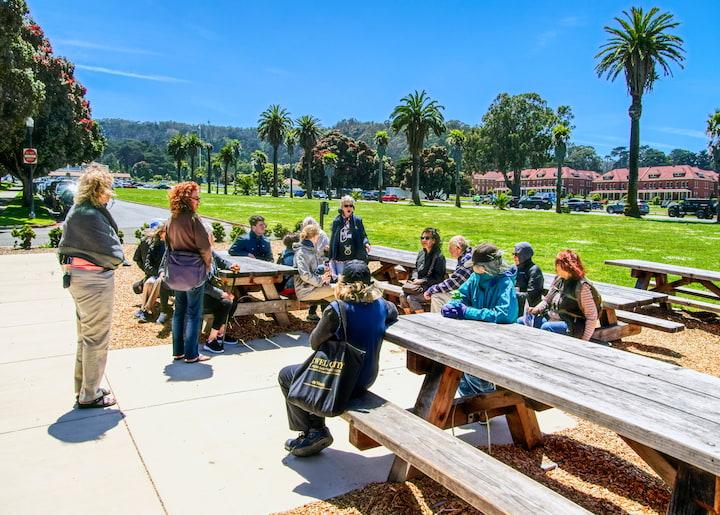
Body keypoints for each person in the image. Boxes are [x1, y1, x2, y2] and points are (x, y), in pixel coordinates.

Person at [278, 260, 398, 457]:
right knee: (298, 374)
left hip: (338, 380)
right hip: (366, 378)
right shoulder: (383, 306)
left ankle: (313, 431)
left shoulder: (337, 309)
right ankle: (314, 431)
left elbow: (315, 343)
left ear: (343, 283)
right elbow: (393, 313)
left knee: (286, 376)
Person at [58, 164, 125, 408]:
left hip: (77, 278)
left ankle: (85, 387)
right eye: (108, 188)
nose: (110, 193)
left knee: (85, 337)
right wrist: (117, 260)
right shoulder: (90, 215)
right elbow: (114, 252)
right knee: (96, 338)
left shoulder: (78, 211)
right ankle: (90, 394)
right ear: (100, 189)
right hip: (94, 281)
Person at [441, 243, 518, 396]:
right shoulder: (475, 277)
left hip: (498, 340)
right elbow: (462, 294)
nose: (473, 269)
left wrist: (467, 312)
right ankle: (474, 408)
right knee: (453, 365)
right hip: (473, 336)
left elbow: (504, 314)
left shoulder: (504, 282)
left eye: (476, 266)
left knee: (474, 372)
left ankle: (490, 405)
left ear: (487, 267)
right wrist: (453, 305)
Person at [165, 182, 212, 363]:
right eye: (196, 198)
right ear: (186, 199)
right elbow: (205, 247)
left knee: (179, 311)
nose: (198, 202)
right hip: (194, 271)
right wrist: (208, 265)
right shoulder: (194, 220)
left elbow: (168, 246)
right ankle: (192, 353)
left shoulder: (171, 220)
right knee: (194, 313)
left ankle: (178, 351)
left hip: (176, 271)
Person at [521, 250, 600, 341]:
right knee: (521, 321)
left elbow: (592, 316)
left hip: (572, 325)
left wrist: (584, 341)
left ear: (564, 266)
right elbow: (547, 300)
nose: (555, 266)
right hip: (551, 318)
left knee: (547, 328)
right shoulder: (558, 279)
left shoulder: (582, 286)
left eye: (557, 264)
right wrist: (536, 309)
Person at [202, 228, 242, 354]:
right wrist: (221, 294)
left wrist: (231, 265)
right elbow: (203, 285)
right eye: (210, 235)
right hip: (199, 297)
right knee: (226, 302)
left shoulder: (210, 252)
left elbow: (222, 261)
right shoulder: (199, 256)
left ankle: (220, 334)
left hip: (209, 295)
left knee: (233, 301)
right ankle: (211, 340)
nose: (213, 238)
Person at [400, 228, 446, 313]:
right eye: (422, 238)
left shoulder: (439, 257)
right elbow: (415, 269)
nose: (424, 240)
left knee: (411, 298)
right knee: (402, 296)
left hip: (431, 288)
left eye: (427, 238)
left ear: (434, 241)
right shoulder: (421, 253)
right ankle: (409, 317)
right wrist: (414, 279)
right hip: (418, 286)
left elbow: (438, 279)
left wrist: (421, 281)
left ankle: (421, 319)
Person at [423, 235, 473, 313]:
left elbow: (454, 283)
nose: (449, 250)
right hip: (469, 293)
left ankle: (438, 323)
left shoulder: (467, 260)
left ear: (458, 248)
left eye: (450, 247)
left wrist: (432, 289)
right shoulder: (468, 255)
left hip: (470, 297)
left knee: (437, 296)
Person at [293, 223, 336, 309]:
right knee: (341, 288)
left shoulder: (310, 250)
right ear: (314, 236)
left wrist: (325, 271)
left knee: (339, 300)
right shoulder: (302, 253)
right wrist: (321, 279)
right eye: (318, 235)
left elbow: (315, 269)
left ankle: (338, 321)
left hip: (314, 287)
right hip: (306, 291)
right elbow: (305, 275)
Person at [133, 220, 167, 323]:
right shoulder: (154, 245)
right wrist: (156, 273)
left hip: (165, 275)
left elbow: (137, 259)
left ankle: (144, 310)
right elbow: (147, 264)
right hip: (155, 274)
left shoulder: (170, 246)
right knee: (149, 282)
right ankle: (145, 310)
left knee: (156, 282)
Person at [328, 196, 370, 278]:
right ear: (342, 208)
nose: (348, 208)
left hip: (354, 256)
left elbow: (363, 235)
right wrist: (331, 255)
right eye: (346, 206)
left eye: (350, 205)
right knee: (341, 279)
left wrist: (366, 243)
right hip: (340, 256)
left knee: (352, 278)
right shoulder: (337, 221)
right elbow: (333, 239)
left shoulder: (357, 221)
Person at [512, 242, 544, 315]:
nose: (514, 257)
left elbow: (532, 295)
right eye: (513, 254)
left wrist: (513, 294)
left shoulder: (534, 270)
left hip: (527, 309)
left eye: (516, 254)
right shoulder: (514, 268)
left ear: (524, 255)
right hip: (514, 304)